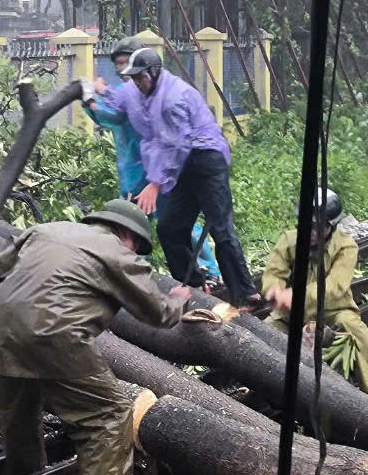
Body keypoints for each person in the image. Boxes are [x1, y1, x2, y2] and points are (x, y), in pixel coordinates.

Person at [0, 199, 191, 475]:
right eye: (137, 243)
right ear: (126, 233)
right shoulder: (119, 253)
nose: (135, 250)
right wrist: (178, 302)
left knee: (19, 412)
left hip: (3, 328)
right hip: (57, 334)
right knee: (109, 413)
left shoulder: (39, 232)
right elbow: (158, 314)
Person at [93, 48, 259, 308]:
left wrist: (156, 184)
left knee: (220, 227)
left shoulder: (173, 97)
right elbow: (127, 103)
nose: (136, 84)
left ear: (153, 72)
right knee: (169, 227)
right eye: (133, 79)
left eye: (139, 78)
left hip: (206, 160)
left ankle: (245, 293)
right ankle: (193, 285)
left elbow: (177, 144)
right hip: (182, 166)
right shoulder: (147, 91)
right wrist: (101, 92)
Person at [81, 38, 220, 284]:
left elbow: (111, 115)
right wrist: (97, 95)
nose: (122, 69)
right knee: (157, 224)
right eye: (119, 64)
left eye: (126, 62)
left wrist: (90, 100)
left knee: (169, 224)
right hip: (140, 172)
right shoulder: (135, 90)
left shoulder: (142, 92)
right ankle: (146, 273)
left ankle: (203, 271)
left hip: (152, 173)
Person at [260, 189, 368, 393]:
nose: (311, 232)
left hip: (332, 311)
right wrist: (275, 290)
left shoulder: (346, 247)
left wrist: (297, 296)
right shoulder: (288, 240)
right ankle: (260, 381)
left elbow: (336, 286)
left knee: (353, 326)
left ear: (331, 226)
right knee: (265, 330)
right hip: (290, 314)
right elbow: (274, 271)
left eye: (318, 227)